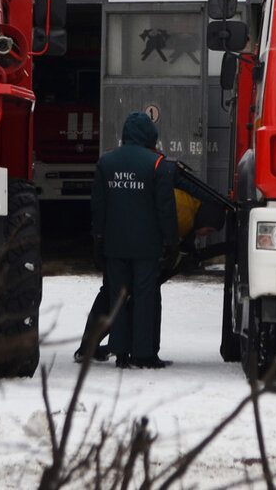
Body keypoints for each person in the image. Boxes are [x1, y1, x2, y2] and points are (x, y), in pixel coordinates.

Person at [78, 154, 227, 365]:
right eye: (209, 230)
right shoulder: (184, 213)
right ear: (205, 218)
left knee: (112, 295)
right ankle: (139, 353)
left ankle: (93, 348)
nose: (206, 235)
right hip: (138, 250)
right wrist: (168, 253)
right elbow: (165, 230)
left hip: (120, 244)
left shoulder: (190, 203)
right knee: (137, 296)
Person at [89, 112, 179, 369]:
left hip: (114, 245)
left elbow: (98, 206)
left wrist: (98, 239)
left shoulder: (106, 162)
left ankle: (120, 352)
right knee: (145, 297)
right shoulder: (156, 164)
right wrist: (171, 243)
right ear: (150, 135)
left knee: (118, 295)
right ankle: (144, 353)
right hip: (146, 246)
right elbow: (165, 209)